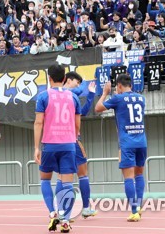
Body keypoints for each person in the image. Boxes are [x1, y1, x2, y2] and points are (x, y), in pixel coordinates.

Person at [34, 64, 81, 233]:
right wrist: (73, 138)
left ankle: (53, 212)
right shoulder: (73, 97)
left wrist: (36, 147)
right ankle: (66, 219)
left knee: (45, 179)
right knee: (67, 184)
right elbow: (77, 124)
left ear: (49, 78)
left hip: (49, 144)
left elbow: (39, 122)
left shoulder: (43, 96)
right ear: (64, 79)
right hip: (69, 144)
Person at [95, 74, 147, 222]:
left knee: (128, 177)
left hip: (127, 142)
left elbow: (98, 108)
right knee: (139, 174)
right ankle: (139, 205)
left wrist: (105, 93)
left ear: (118, 86)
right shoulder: (141, 98)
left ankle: (134, 210)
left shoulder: (118, 98)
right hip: (141, 140)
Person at [60, 72, 98, 220]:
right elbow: (75, 90)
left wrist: (90, 95)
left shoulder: (51, 96)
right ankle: (85, 208)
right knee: (82, 174)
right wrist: (87, 88)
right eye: (77, 82)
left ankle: (61, 212)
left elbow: (83, 112)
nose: (78, 85)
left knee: (62, 178)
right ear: (67, 80)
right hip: (72, 139)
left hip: (56, 141)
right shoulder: (67, 93)